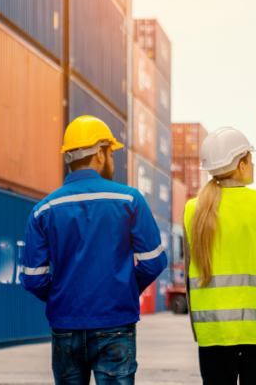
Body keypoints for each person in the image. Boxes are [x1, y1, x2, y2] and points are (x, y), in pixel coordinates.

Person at [21, 115, 167, 385]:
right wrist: (124, 289)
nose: (113, 161)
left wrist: (62, 298)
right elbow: (154, 262)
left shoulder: (43, 210)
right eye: (111, 153)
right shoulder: (130, 200)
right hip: (115, 324)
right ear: (100, 153)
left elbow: (33, 278)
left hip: (65, 326)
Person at [183, 127, 256, 385]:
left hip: (213, 332)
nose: (253, 164)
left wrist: (198, 330)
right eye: (250, 158)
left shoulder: (193, 209)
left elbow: (190, 275)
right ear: (240, 165)